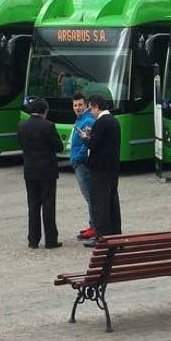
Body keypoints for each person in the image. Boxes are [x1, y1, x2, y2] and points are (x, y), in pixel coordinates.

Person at [16, 98, 64, 249]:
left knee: (33, 205)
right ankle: (50, 240)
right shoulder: (48, 126)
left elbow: (21, 144)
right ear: (45, 111)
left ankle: (33, 240)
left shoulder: (22, 126)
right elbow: (58, 147)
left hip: (30, 171)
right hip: (47, 171)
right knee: (48, 204)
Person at [83, 94, 121, 245]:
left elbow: (93, 144)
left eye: (91, 108)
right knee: (111, 201)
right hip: (112, 168)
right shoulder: (114, 121)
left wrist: (86, 137)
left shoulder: (101, 122)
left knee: (100, 204)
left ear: (96, 106)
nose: (91, 112)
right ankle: (114, 233)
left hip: (99, 169)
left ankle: (102, 237)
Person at [69, 92, 96, 241]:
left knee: (90, 197)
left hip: (82, 164)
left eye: (80, 104)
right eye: (75, 105)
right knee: (89, 197)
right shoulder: (80, 120)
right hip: (78, 163)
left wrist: (77, 159)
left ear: (86, 105)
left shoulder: (87, 121)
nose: (77, 107)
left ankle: (94, 227)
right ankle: (92, 224)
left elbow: (87, 144)